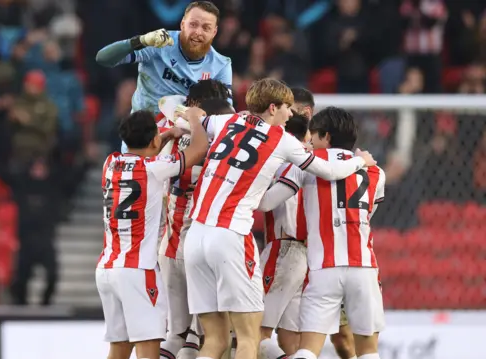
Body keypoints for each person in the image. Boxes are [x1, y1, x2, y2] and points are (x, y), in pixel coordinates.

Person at [178, 78, 376, 359]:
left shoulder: (227, 122)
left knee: (215, 341)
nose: (290, 115)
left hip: (195, 235)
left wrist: (187, 119)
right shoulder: (282, 140)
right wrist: (360, 161)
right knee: (249, 338)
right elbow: (329, 170)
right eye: (286, 109)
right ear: (273, 108)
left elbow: (193, 119)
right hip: (230, 234)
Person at [258, 107, 385, 359]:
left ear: (326, 136)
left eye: (313, 135)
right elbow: (366, 216)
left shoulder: (306, 164)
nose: (310, 141)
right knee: (368, 352)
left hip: (323, 269)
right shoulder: (376, 173)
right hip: (364, 269)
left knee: (307, 350)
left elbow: (266, 203)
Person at [96, 108, 208, 359]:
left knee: (119, 347)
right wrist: (193, 118)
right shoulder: (155, 168)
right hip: (138, 270)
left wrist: (167, 134)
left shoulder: (110, 162)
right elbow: (199, 148)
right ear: (154, 140)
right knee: (148, 348)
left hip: (107, 269)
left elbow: (146, 150)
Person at [157, 83, 232, 359]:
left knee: (175, 334)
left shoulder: (169, 131)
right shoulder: (227, 138)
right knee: (208, 336)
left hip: (170, 244)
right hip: (202, 247)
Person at [95, 1, 232, 152]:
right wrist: (140, 41)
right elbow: (103, 59)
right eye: (193, 25)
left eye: (206, 28)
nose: (198, 32)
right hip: (141, 140)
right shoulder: (160, 43)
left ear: (214, 32)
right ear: (182, 24)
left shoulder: (221, 65)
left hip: (183, 147)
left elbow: (224, 116)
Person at [258, 112, 311, 357]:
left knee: (254, 332)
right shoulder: (314, 161)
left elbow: (265, 203)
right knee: (292, 341)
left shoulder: (279, 159)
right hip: (307, 256)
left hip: (283, 248)